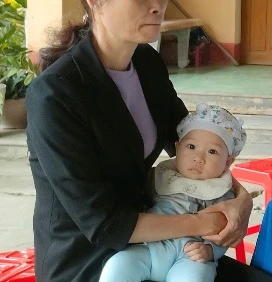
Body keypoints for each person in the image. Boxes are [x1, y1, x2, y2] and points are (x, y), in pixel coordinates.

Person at [26, 0, 272, 282]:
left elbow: (192, 143)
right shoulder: (55, 95)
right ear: (95, 1)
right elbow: (103, 223)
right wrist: (205, 222)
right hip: (88, 256)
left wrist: (240, 199)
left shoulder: (146, 64)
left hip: (163, 240)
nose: (158, 4)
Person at [100, 104, 247, 282]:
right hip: (151, 248)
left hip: (191, 256)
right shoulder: (158, 177)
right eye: (191, 146)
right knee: (118, 264)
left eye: (212, 151)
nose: (199, 158)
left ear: (227, 162)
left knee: (195, 278)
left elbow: (227, 230)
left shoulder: (223, 192)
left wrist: (211, 251)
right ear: (177, 148)